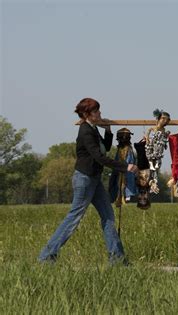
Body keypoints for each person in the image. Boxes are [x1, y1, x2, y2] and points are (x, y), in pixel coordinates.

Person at [38, 98, 138, 265]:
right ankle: (47, 256)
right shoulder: (85, 131)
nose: (100, 113)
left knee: (108, 216)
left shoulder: (92, 129)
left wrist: (108, 131)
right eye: (96, 111)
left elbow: (103, 147)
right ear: (87, 114)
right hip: (84, 180)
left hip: (94, 180)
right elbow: (99, 157)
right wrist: (125, 167)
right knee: (74, 217)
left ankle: (117, 259)